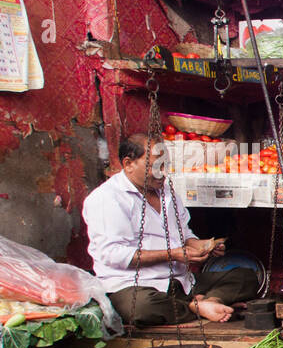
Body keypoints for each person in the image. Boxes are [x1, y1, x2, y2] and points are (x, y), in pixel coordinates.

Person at [83, 133, 260, 327]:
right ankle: (194, 307)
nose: (163, 173)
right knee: (141, 308)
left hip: (180, 283)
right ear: (128, 164)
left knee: (246, 276)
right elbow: (113, 254)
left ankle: (211, 301)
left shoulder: (167, 192)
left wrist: (201, 245)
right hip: (134, 286)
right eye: (156, 166)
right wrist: (172, 254)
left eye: (166, 165)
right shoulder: (106, 199)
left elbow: (184, 233)